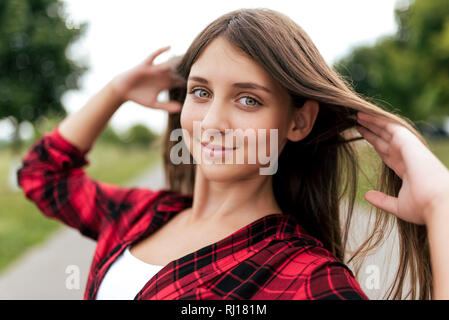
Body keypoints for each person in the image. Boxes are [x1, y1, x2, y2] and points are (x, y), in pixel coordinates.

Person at [17, 8, 449, 300]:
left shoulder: (306, 278)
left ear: (298, 121)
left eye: (248, 100)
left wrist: (440, 204)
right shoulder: (140, 215)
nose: (212, 121)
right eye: (200, 92)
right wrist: (116, 91)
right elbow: (42, 176)